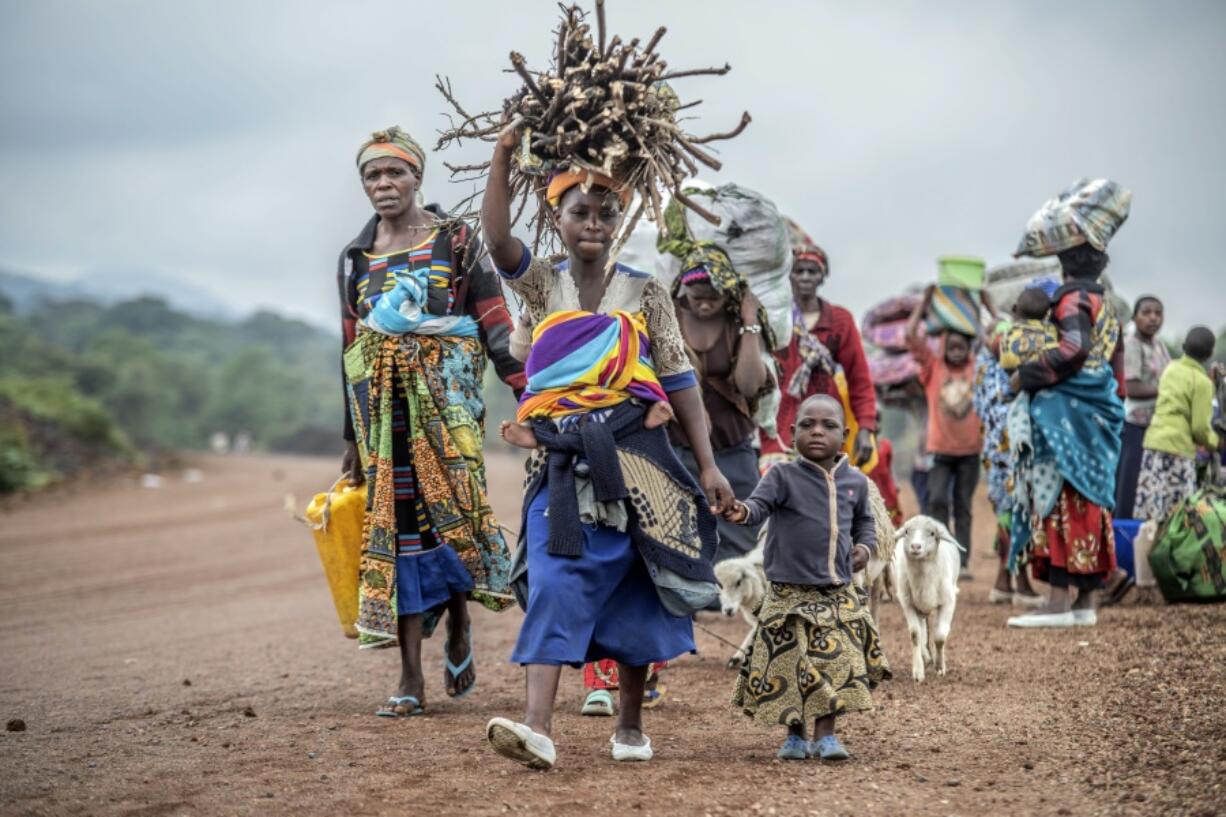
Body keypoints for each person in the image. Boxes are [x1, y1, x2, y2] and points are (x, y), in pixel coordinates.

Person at [480, 128, 734, 769]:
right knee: (554, 578)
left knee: (635, 585)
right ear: (556, 219)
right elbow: (497, 242)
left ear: (620, 221)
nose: (593, 223)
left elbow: (680, 383)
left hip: (636, 459)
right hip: (560, 463)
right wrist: (505, 155)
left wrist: (706, 465)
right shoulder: (540, 285)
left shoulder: (645, 291)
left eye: (606, 212)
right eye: (579, 212)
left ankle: (629, 725)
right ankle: (537, 728)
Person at [337, 127, 525, 716]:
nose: (383, 185)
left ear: (417, 177)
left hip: (450, 412)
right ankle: (410, 676)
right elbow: (350, 348)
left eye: (394, 173)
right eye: (372, 176)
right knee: (398, 533)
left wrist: (531, 398)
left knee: (453, 520)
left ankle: (462, 623)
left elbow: (495, 320)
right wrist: (352, 438)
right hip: (383, 420)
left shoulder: (456, 239)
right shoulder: (356, 258)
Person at [725, 394, 889, 761]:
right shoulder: (782, 476)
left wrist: (863, 549)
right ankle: (795, 736)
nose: (817, 431)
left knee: (835, 663)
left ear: (844, 435)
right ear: (791, 432)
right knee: (791, 665)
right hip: (788, 595)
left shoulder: (856, 483)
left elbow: (865, 524)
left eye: (828, 426)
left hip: (837, 593)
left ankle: (827, 736)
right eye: (808, 425)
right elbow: (757, 508)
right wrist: (739, 512)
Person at [1006, 243, 1125, 629]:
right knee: (1091, 500)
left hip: (1068, 411)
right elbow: (1113, 367)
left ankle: (1058, 601)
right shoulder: (1108, 305)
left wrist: (1025, 376)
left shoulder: (1073, 298)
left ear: (1063, 264)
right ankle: (1086, 600)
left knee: (1059, 495)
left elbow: (1073, 350)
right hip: (1099, 409)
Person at [760, 238, 878, 473]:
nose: (805, 277)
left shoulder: (838, 321)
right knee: (775, 489)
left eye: (812, 271)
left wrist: (865, 429)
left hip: (825, 424)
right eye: (799, 271)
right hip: (779, 425)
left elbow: (859, 379)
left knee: (824, 495)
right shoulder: (775, 318)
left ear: (822, 277)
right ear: (789, 276)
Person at [906, 285, 983, 579]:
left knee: (963, 505)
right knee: (937, 500)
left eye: (961, 346)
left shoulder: (977, 369)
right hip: (940, 451)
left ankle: (961, 562)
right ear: (943, 347)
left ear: (968, 348)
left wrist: (983, 305)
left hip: (970, 452)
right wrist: (925, 303)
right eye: (951, 346)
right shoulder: (933, 368)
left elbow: (992, 344)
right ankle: (939, 556)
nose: (956, 351)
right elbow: (912, 337)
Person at [974, 312, 1044, 607]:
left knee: (1011, 515)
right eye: (998, 336)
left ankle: (1004, 582)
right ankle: (1021, 583)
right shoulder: (996, 373)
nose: (1003, 342)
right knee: (1015, 515)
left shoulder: (989, 367)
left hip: (1000, 455)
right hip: (1006, 457)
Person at [1134, 327, 1222, 526]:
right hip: (1177, 451)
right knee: (1178, 518)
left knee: (1151, 512)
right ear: (1209, 354)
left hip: (1153, 445)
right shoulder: (1202, 383)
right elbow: (1199, 428)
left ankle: (1143, 556)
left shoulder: (1171, 368)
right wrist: (1216, 442)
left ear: (1183, 347)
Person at [868, 411, 904, 527]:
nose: (875, 425)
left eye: (877, 421)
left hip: (886, 490)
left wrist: (896, 486)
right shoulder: (861, 447)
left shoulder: (886, 445)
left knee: (890, 522)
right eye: (871, 421)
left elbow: (891, 468)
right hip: (870, 489)